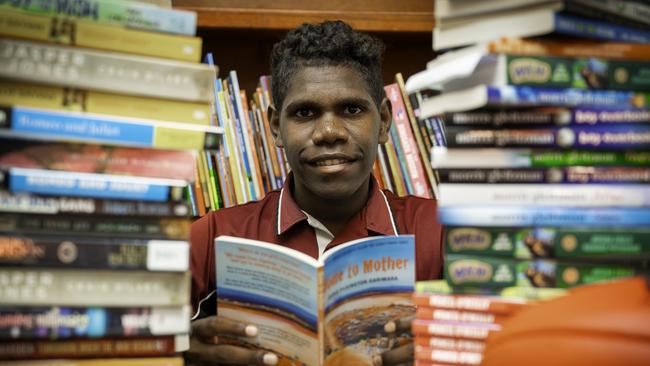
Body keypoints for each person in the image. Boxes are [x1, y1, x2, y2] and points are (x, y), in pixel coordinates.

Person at [186, 20, 444, 366]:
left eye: (351, 109)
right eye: (305, 113)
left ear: (384, 121)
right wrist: (176, 354)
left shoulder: (441, 232)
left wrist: (450, 347)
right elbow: (118, 340)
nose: (328, 132)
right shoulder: (213, 236)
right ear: (276, 127)